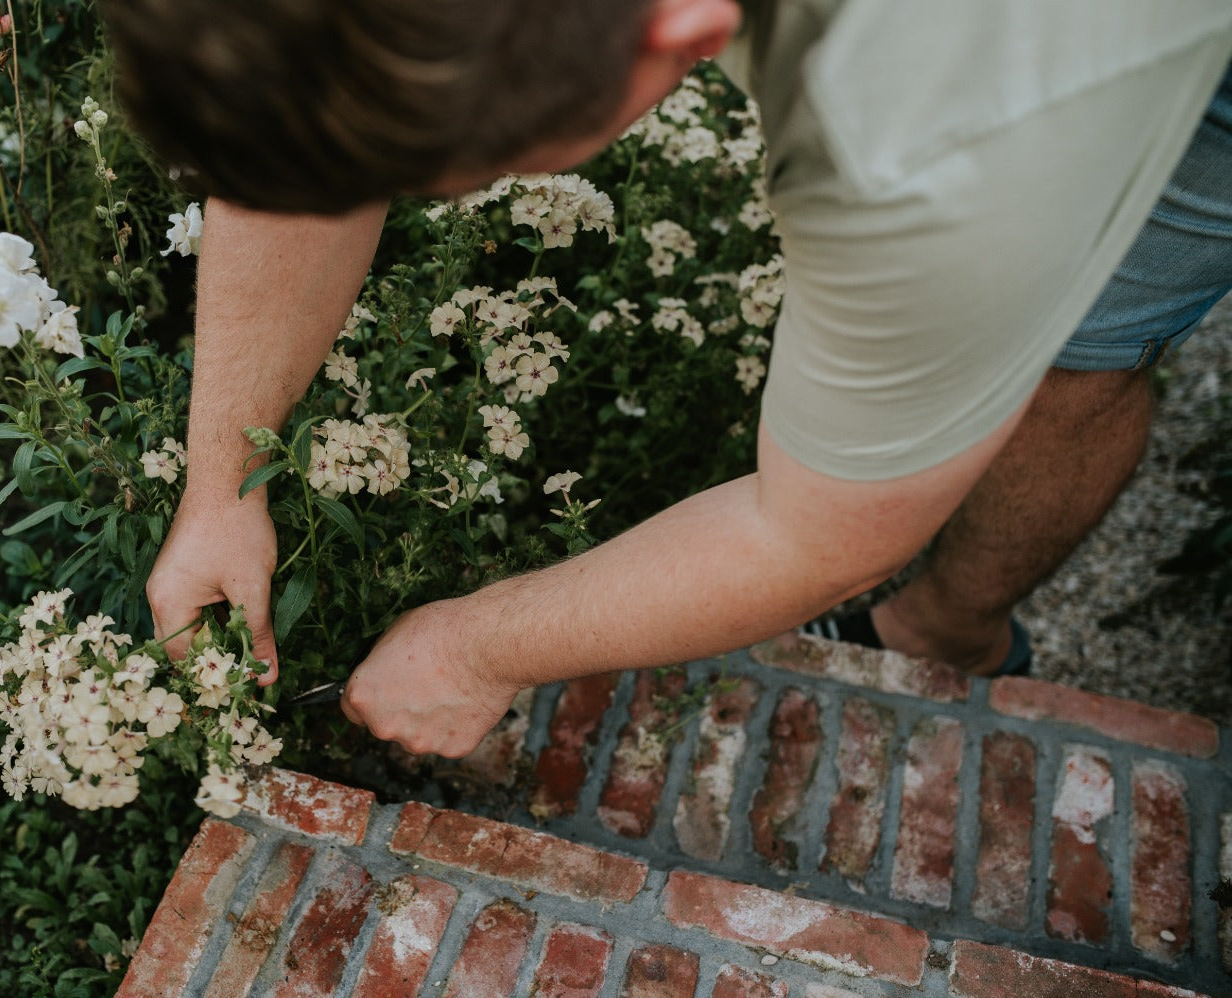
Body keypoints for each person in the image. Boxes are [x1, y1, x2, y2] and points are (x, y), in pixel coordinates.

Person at [102, 0, 1232, 758]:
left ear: (681, 27)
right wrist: (222, 483)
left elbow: (818, 529)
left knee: (1058, 354)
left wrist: (475, 646)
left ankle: (951, 633)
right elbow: (319, 111)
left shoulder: (935, 144)